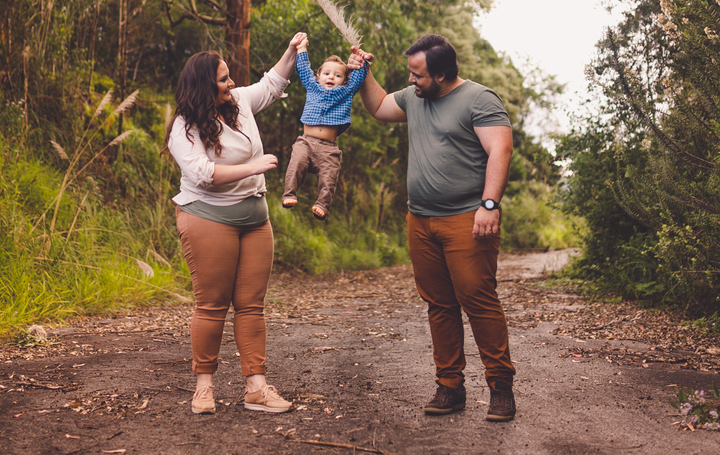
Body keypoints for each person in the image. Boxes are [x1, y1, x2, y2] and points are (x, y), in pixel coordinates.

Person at [348, 34, 517, 422]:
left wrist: (489, 204)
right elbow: (377, 106)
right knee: (439, 305)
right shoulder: (414, 98)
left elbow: (500, 150)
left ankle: (500, 388)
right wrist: (365, 73)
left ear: (441, 74)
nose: (411, 80)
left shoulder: (479, 99)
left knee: (478, 299)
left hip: (467, 219)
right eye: (410, 73)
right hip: (420, 220)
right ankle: (450, 387)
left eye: (418, 74)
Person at [165, 34, 306, 416]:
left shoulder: (238, 102)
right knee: (211, 306)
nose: (231, 84)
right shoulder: (184, 127)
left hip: (254, 219)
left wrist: (292, 52)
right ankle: (204, 388)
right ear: (203, 87)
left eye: (229, 78)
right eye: (224, 79)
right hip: (208, 217)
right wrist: (253, 167)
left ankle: (256, 388)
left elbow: (271, 85)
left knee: (251, 306)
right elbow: (201, 172)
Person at [281, 35, 368, 219]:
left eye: (337, 75)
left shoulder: (346, 92)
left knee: (330, 176)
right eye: (327, 73)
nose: (331, 77)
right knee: (296, 162)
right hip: (306, 141)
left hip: (329, 148)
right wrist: (302, 48)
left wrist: (362, 61)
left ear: (344, 81)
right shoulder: (312, 86)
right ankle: (289, 193)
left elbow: (358, 79)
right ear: (318, 76)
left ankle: (322, 204)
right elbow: (303, 69)